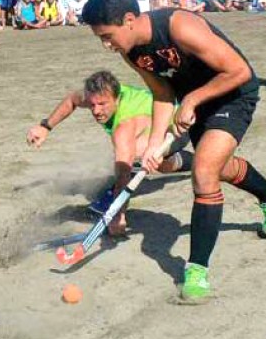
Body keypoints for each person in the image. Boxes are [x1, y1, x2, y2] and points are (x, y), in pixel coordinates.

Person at [81, 0, 266, 303]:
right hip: (195, 104)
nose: (106, 45)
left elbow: (239, 71)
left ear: (128, 19)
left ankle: (196, 270)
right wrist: (154, 143)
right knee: (219, 166)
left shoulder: (179, 26)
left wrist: (192, 99)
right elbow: (163, 92)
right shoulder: (131, 51)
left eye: (107, 36)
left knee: (205, 169)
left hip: (233, 93)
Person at [27, 70, 192, 230]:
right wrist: (46, 126)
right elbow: (72, 100)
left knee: (134, 156)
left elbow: (123, 171)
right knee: (160, 164)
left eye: (102, 104)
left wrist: (117, 214)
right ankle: (192, 162)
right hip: (155, 128)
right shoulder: (97, 95)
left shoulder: (124, 124)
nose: (96, 111)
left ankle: (112, 198)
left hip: (177, 128)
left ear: (117, 98)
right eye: (92, 105)